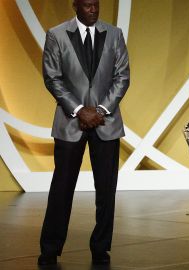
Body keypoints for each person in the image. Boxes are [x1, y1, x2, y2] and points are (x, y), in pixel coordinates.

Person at [38, 0, 130, 266]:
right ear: (75, 5)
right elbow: (52, 77)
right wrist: (79, 110)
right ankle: (50, 248)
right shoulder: (56, 35)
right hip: (70, 123)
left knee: (106, 190)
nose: (94, 10)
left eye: (97, 5)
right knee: (62, 188)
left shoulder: (114, 34)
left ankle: (101, 247)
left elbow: (122, 76)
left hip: (106, 122)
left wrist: (101, 109)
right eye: (88, 5)